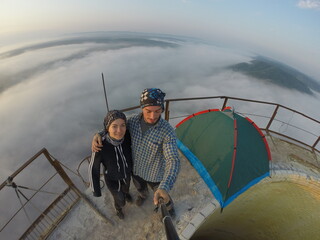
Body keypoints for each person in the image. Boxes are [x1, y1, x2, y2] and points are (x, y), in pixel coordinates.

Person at [92, 88, 180, 216]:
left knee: (162, 195)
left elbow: (173, 160)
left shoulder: (167, 132)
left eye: (157, 111)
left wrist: (164, 186)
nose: (152, 116)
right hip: (136, 171)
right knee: (141, 189)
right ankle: (144, 196)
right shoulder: (132, 122)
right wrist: (98, 134)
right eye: (148, 111)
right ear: (142, 108)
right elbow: (114, 124)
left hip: (155, 174)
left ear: (162, 109)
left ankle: (169, 210)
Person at [89, 110, 133, 219]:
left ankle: (126, 194)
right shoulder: (100, 146)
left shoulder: (127, 136)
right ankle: (118, 209)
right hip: (112, 179)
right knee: (120, 199)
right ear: (107, 128)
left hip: (126, 174)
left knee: (126, 189)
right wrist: (96, 189)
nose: (119, 130)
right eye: (114, 126)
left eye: (123, 125)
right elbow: (93, 168)